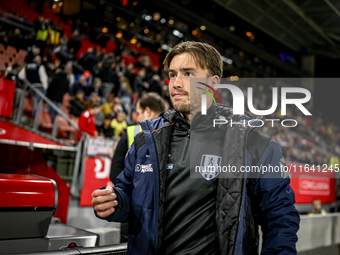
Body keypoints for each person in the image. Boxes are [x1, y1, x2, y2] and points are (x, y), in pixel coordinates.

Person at [92, 41, 300, 254]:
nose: (176, 83)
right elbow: (128, 193)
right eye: (172, 74)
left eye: (188, 74)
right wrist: (114, 202)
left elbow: (280, 218)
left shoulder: (252, 143)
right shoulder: (147, 139)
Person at [109, 92, 166, 243]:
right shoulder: (132, 132)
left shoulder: (133, 132)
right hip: (141, 211)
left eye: (139, 113)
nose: (137, 118)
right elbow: (116, 171)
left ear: (147, 111)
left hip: (143, 213)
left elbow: (115, 171)